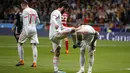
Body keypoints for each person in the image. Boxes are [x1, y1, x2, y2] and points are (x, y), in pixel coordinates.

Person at [49, 1, 75, 73]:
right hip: (55, 34)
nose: (65, 11)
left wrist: (68, 28)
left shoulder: (59, 14)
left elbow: (62, 26)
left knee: (57, 52)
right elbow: (53, 18)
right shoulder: (56, 12)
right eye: (66, 9)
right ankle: (77, 44)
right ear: (63, 7)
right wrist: (56, 24)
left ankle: (56, 70)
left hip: (56, 35)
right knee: (73, 30)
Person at [16, 0, 40, 67]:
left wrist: (24, 31)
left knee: (20, 43)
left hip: (27, 29)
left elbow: (25, 22)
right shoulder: (34, 11)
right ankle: (34, 63)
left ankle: (21, 61)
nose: (21, 7)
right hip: (34, 29)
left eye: (21, 5)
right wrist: (33, 26)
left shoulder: (25, 11)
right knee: (34, 46)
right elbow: (38, 21)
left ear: (23, 4)